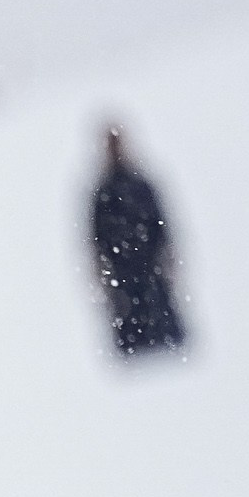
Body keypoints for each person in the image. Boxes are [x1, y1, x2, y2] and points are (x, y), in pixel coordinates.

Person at [90, 124, 188, 358]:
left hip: (149, 264)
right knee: (131, 330)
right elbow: (96, 236)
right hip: (122, 271)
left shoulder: (139, 184)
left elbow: (160, 223)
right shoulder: (103, 190)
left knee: (163, 323)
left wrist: (168, 255)